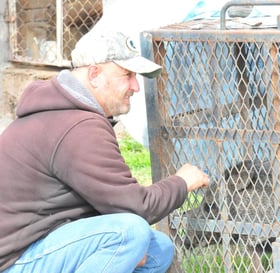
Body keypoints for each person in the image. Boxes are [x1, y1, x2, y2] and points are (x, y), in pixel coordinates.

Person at [0, 29, 209, 273]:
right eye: (127, 75)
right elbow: (136, 207)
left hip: (38, 243)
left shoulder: (62, 113)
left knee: (158, 248)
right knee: (128, 234)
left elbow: (102, 202)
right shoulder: (78, 126)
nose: (135, 86)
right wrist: (182, 182)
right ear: (94, 74)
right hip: (15, 261)